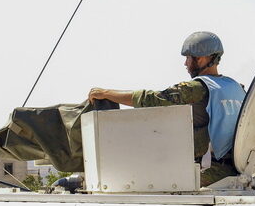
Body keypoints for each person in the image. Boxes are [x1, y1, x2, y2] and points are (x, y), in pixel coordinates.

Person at [87, 31, 246, 185]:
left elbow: (153, 99)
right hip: (239, 169)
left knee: (148, 184)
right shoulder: (236, 87)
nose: (185, 63)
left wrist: (106, 94)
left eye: (188, 58)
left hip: (213, 171)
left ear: (202, 59)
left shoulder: (199, 87)